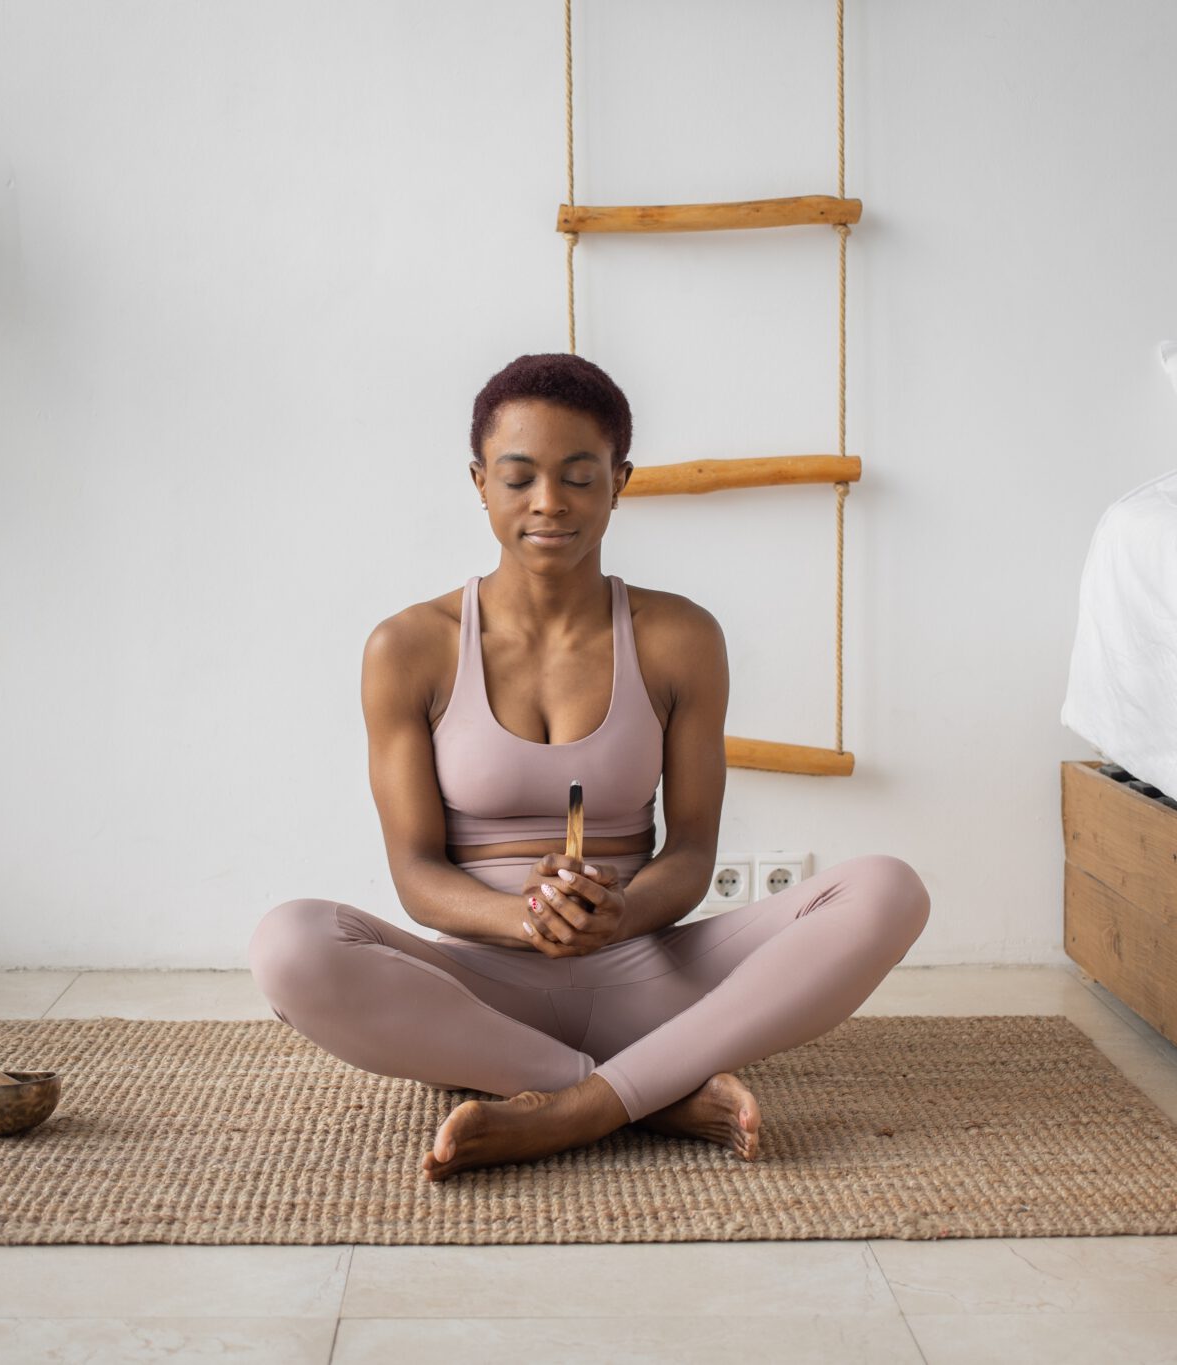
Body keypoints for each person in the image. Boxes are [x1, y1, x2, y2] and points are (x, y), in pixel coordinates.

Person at [249, 352, 930, 1182]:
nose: (549, 503)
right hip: (477, 984)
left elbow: (691, 854)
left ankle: (576, 1106)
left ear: (620, 480)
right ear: (479, 482)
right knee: (288, 946)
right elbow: (417, 874)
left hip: (647, 970)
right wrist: (523, 920)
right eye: (519, 477)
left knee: (888, 889)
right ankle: (650, 1091)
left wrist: (621, 912)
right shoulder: (409, 647)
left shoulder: (680, 637)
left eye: (579, 476)